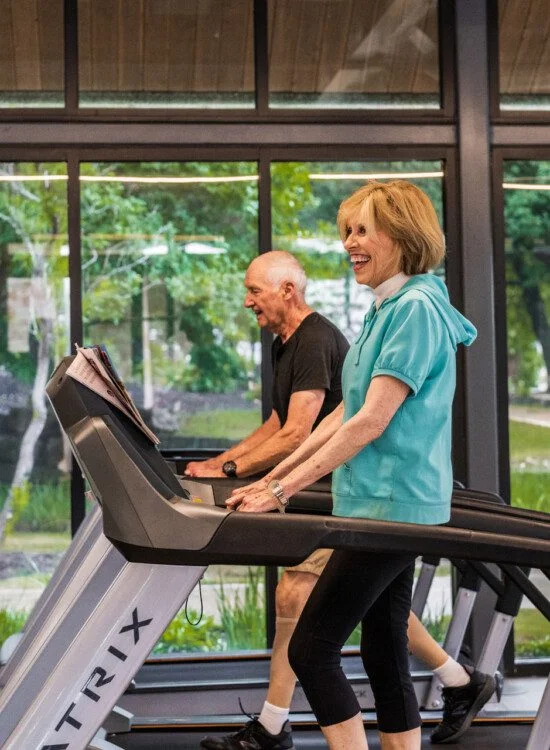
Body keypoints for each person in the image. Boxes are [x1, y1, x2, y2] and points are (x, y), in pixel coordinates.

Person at [218, 181, 495, 750]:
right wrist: (275, 481)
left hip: (391, 504)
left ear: (404, 235)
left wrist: (281, 491)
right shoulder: (385, 307)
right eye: (347, 230)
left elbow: (372, 421)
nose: (350, 242)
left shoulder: (414, 309)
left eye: (363, 230)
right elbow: (341, 412)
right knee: (383, 645)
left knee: (311, 648)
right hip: (374, 500)